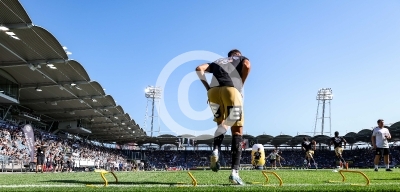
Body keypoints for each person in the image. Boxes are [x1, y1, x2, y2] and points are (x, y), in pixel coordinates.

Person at [196, 49, 251, 185]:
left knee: (220, 122)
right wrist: (240, 84)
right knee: (236, 130)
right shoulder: (240, 58)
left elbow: (199, 69)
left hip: (213, 93)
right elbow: (247, 66)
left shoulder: (218, 62)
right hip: (230, 90)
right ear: (237, 54)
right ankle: (234, 173)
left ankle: (215, 150)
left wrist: (208, 87)